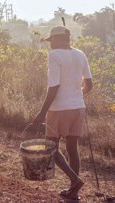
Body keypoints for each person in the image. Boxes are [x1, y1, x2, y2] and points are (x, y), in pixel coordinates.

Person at [33, 25, 93, 200]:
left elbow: (54, 86)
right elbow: (89, 85)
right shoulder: (80, 54)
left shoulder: (55, 55)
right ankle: (73, 192)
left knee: (51, 148)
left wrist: (42, 112)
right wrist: (76, 95)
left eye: (52, 40)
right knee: (72, 149)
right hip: (78, 107)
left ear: (59, 39)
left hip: (59, 108)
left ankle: (75, 180)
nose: (51, 44)